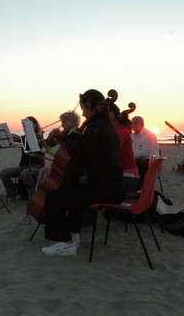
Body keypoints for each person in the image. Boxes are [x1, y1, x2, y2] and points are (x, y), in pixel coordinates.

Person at [41, 89, 125, 256]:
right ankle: (74, 235)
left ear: (88, 105)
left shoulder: (96, 129)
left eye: (83, 108)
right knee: (75, 194)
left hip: (106, 190)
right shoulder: (105, 126)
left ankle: (65, 242)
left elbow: (76, 150)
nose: (83, 114)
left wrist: (72, 136)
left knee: (53, 197)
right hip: (111, 187)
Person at [0, 116, 45, 200]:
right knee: (3, 173)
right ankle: (12, 193)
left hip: (35, 166)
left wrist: (20, 138)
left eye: (29, 124)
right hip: (22, 166)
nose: (26, 127)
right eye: (25, 125)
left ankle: (34, 194)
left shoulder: (39, 136)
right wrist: (12, 136)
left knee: (24, 173)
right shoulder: (24, 137)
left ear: (35, 125)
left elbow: (37, 141)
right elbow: (18, 139)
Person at [109, 103, 140, 193]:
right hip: (127, 176)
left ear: (110, 114)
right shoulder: (122, 129)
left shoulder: (120, 131)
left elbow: (112, 152)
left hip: (127, 179)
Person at [130, 116, 159, 186]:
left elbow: (144, 153)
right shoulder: (132, 135)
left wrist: (131, 157)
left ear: (142, 124)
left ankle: (139, 187)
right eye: (132, 123)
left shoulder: (148, 135)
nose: (133, 125)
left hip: (149, 161)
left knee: (138, 165)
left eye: (135, 123)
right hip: (139, 160)